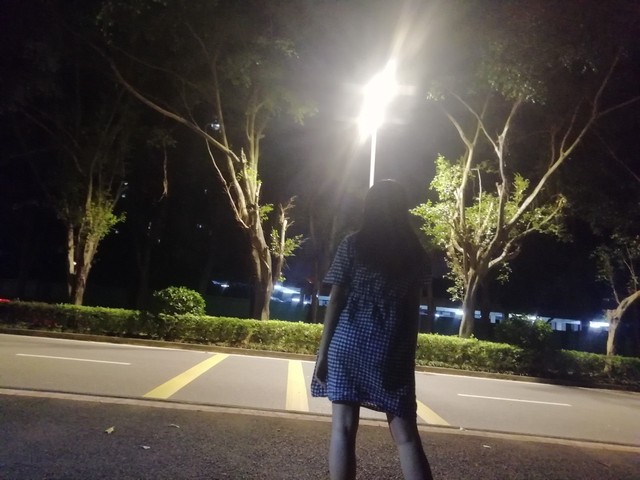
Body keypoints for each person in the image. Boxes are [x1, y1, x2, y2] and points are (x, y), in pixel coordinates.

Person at [311, 179, 434, 480]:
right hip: (390, 348)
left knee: (342, 429)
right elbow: (412, 312)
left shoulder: (353, 244)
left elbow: (335, 300)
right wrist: (406, 357)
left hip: (347, 342)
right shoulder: (415, 254)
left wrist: (323, 354)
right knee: (406, 436)